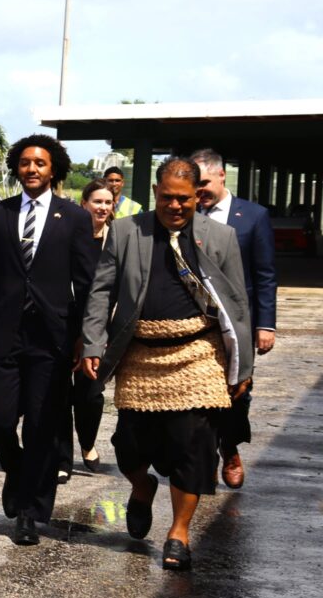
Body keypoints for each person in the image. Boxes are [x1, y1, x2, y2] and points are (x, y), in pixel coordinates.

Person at [81, 157, 252, 572]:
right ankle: (142, 488)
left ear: (198, 197)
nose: (175, 206)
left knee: (193, 445)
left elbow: (237, 305)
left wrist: (242, 366)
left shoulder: (221, 237)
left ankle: (179, 533)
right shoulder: (126, 231)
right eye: (167, 198)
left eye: (184, 199)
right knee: (129, 445)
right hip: (140, 351)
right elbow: (101, 290)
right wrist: (92, 342)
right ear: (155, 193)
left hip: (200, 352)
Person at [0, 134, 97, 546]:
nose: (32, 169)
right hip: (3, 332)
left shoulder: (73, 217)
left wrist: (82, 337)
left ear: (53, 168)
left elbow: (88, 282)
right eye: (25, 163)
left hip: (52, 338)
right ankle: (20, 472)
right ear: (16, 168)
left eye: (39, 163)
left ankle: (27, 511)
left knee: (41, 425)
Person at [191, 149, 277, 489]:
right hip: (197, 323)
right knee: (199, 393)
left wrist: (265, 325)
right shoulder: (187, 213)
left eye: (205, 183)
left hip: (239, 323)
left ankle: (231, 447)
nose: (200, 191)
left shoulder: (253, 217)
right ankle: (205, 456)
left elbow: (266, 275)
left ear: (223, 175)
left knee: (237, 391)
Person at [56, 178, 115, 483]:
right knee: (61, 394)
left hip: (100, 331)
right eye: (97, 202)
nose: (103, 207)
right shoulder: (68, 237)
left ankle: (88, 441)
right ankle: (62, 458)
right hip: (64, 325)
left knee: (90, 395)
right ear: (84, 204)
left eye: (108, 202)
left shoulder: (117, 239)